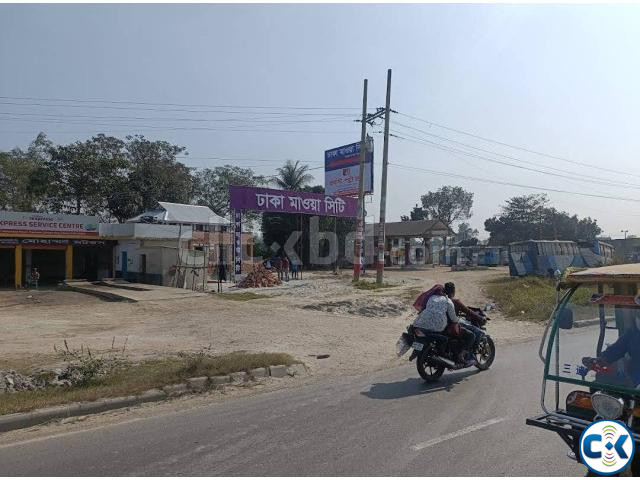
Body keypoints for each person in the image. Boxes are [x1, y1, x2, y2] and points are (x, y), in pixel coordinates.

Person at [413, 282, 475, 366]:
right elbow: (453, 318)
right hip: (438, 327)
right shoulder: (448, 301)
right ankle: (460, 355)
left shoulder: (431, 298)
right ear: (453, 292)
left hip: (421, 324)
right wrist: (457, 320)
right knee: (471, 335)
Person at [582, 311, 640, 387]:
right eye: (639, 314)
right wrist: (598, 361)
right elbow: (616, 349)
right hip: (633, 378)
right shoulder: (633, 333)